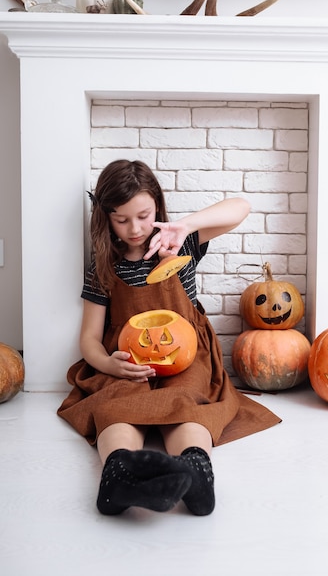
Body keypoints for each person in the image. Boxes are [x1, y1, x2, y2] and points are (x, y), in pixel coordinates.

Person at [58, 159, 280, 517]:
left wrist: (185, 225)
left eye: (144, 215)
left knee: (188, 399)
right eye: (122, 219)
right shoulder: (104, 265)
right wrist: (106, 363)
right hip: (129, 361)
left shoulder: (184, 243)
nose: (135, 228)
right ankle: (119, 473)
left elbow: (241, 207)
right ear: (105, 218)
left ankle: (196, 471)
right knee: (116, 403)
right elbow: (89, 338)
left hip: (187, 356)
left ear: (157, 208)